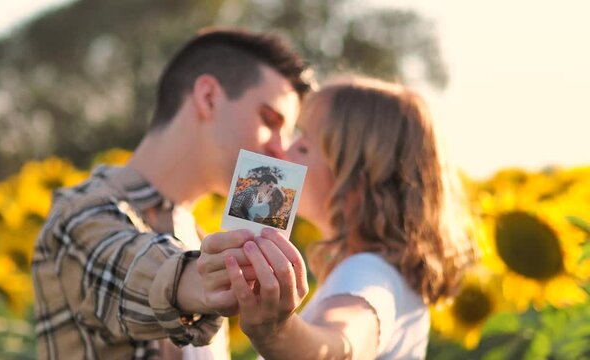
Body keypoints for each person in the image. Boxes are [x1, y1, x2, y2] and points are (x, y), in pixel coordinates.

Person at [32, 27, 311, 359]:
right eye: (269, 120)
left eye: (289, 133)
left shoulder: (199, 235)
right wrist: (206, 281)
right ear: (208, 96)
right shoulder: (79, 211)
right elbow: (129, 266)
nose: (281, 149)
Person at [199, 76, 476, 359]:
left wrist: (276, 333)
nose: (284, 152)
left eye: (304, 146)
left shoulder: (367, 273)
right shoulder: (380, 272)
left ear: (357, 183)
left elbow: (341, 346)